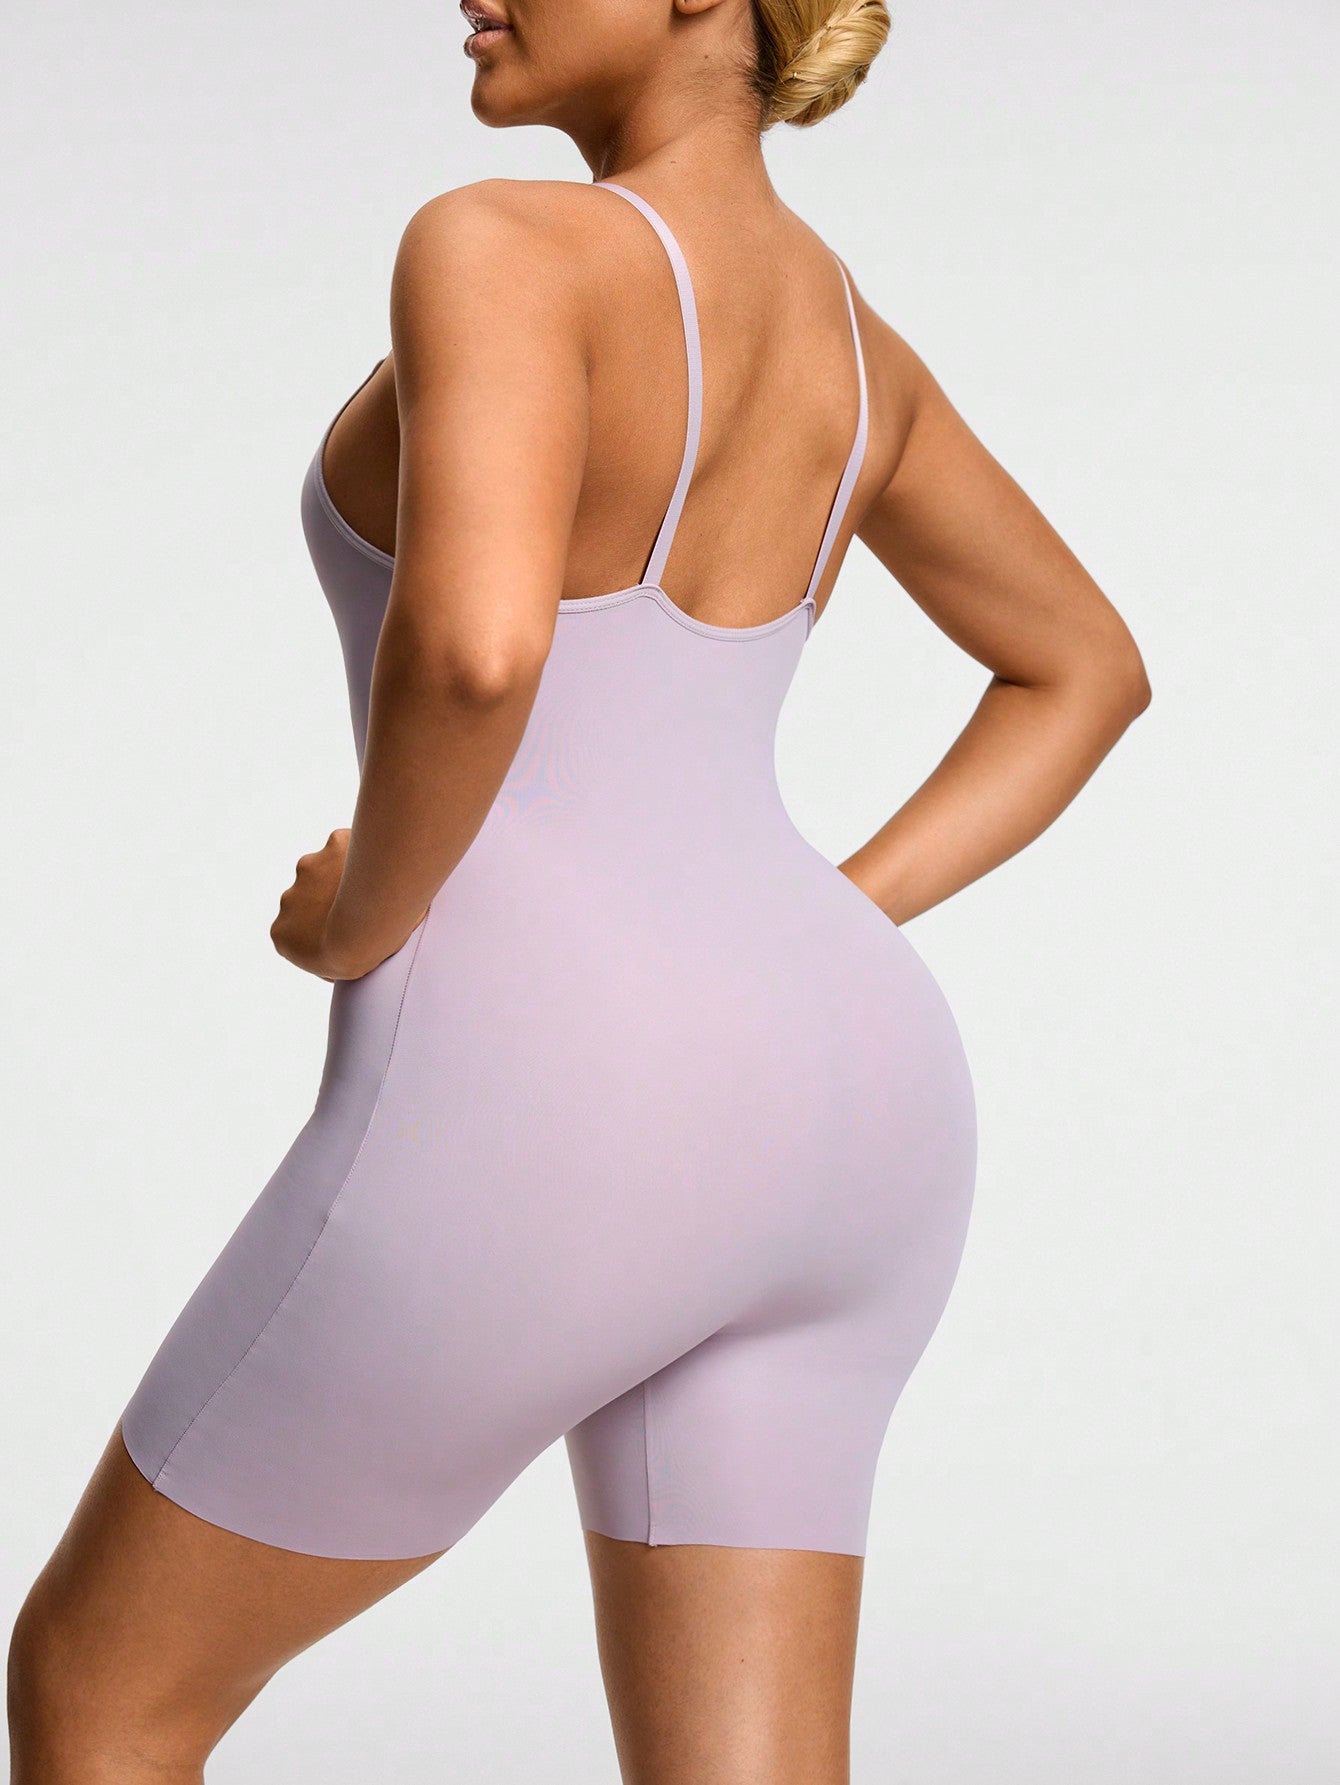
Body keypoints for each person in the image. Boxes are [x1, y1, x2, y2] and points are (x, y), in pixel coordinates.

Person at [7, 0, 1150, 1776]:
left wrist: (362, 916)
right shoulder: (861, 353)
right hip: (857, 1111)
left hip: (554, 1101)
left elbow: (477, 652)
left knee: (98, 1694)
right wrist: (820, 928)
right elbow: (1085, 668)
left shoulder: (501, 249)